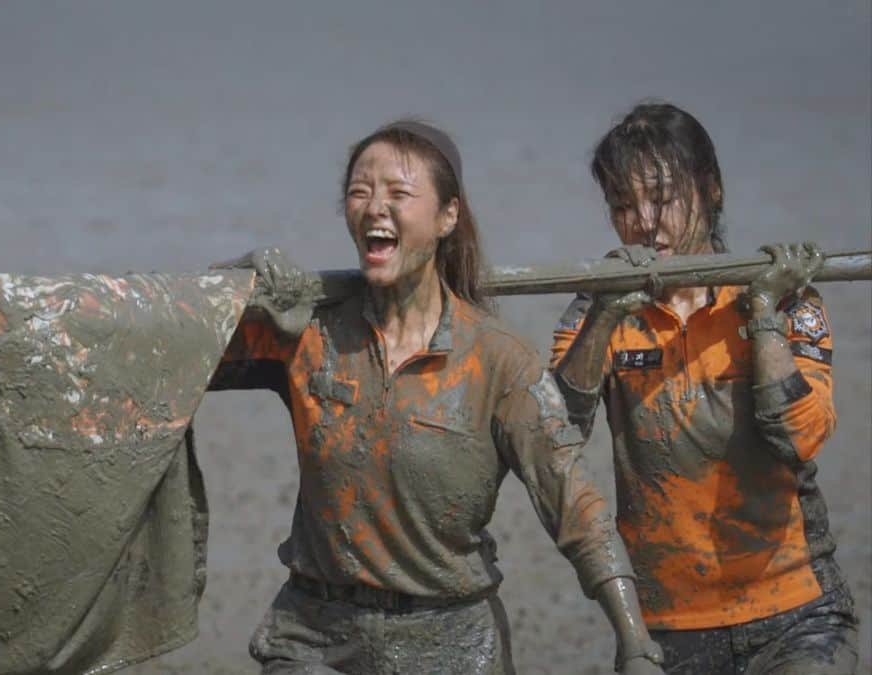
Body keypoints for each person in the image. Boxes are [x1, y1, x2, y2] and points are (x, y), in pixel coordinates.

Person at [210, 120, 664, 674]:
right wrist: (234, 284)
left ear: (448, 216)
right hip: (314, 636)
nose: (375, 206)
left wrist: (634, 639)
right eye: (360, 191)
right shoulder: (306, 333)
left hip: (451, 640)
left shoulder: (496, 359)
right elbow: (185, 355)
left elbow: (573, 503)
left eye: (398, 194)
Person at [550, 102, 859, 673]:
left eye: (661, 199)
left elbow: (800, 439)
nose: (644, 222)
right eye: (623, 204)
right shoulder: (597, 311)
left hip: (796, 614)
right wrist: (605, 317)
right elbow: (553, 434)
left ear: (711, 189)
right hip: (667, 625)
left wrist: (763, 311)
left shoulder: (786, 298)